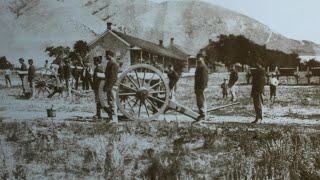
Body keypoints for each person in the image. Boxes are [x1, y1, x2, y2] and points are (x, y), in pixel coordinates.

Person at [104, 50, 119, 121]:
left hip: (112, 85)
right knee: (110, 101)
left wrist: (109, 87)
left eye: (107, 55)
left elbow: (113, 77)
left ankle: (114, 119)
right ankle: (111, 117)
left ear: (110, 55)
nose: (106, 57)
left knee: (112, 101)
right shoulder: (110, 63)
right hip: (110, 85)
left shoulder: (113, 64)